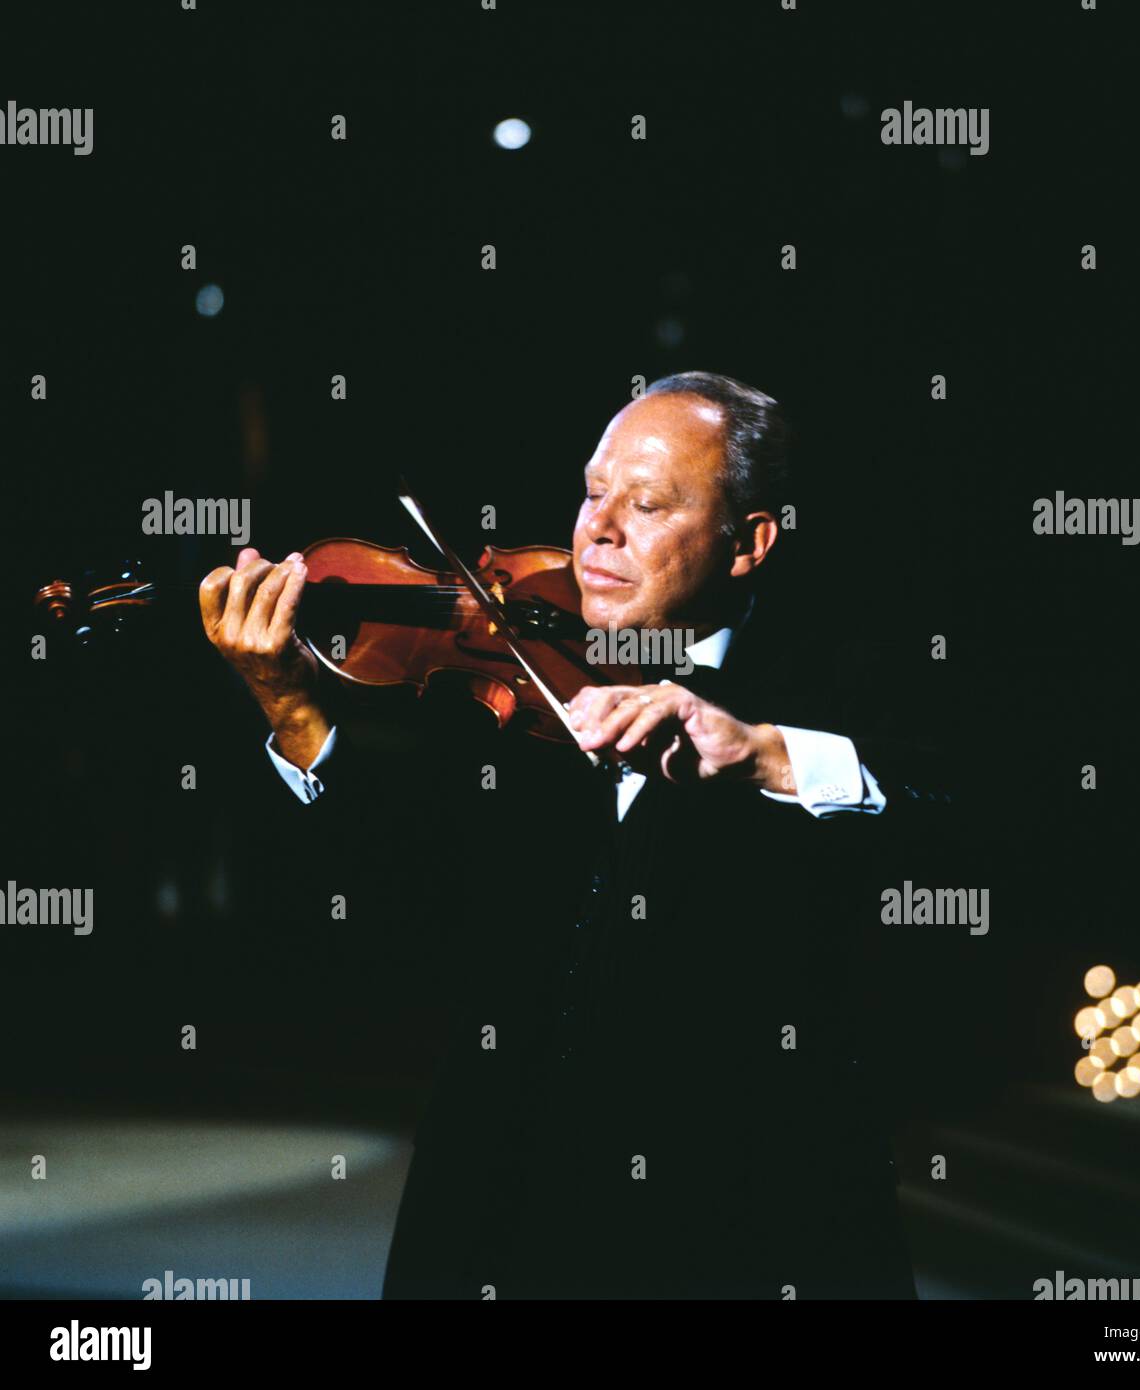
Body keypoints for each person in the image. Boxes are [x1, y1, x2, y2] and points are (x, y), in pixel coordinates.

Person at [199, 371, 946, 1299]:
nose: (597, 530)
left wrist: (762, 755)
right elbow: (403, 907)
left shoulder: (831, 697)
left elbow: (955, 816)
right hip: (496, 1237)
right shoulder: (518, 693)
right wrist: (291, 708)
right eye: (594, 492)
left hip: (737, 1247)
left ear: (747, 543)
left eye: (648, 504)